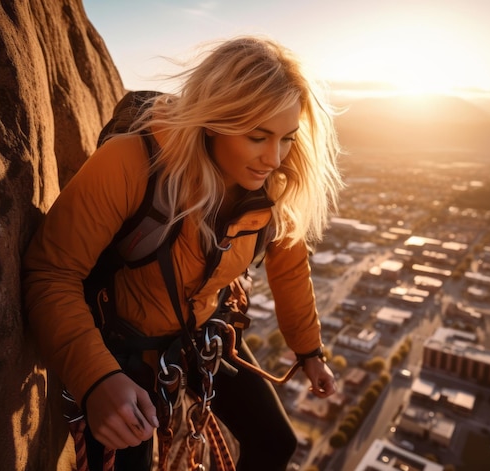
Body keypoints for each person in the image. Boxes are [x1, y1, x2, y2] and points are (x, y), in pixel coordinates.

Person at [23, 35, 343, 471]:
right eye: (257, 136)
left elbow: (289, 266)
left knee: (275, 443)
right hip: (122, 351)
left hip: (204, 333)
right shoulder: (132, 164)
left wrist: (309, 352)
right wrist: (96, 379)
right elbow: (51, 272)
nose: (274, 157)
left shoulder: (270, 187)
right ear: (214, 120)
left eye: (287, 138)